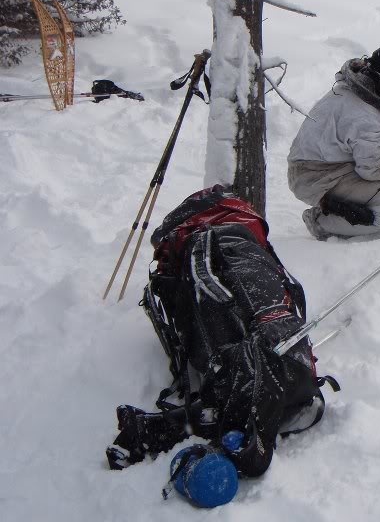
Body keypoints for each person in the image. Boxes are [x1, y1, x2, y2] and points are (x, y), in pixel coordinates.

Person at [106, 186, 338, 506]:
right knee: (255, 351)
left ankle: (247, 384)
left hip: (265, 374)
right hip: (284, 374)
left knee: (248, 356)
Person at [288, 42, 380, 240]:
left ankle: (369, 201)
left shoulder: (372, 92)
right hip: (317, 175)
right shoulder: (362, 117)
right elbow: (375, 169)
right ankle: (322, 222)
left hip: (339, 161)